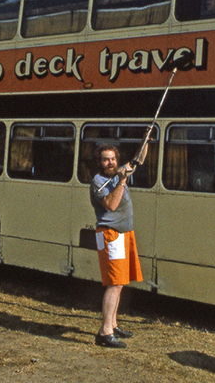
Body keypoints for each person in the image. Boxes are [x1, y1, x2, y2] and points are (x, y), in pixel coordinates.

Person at [90, 145, 143, 348]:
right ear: (99, 163)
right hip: (110, 234)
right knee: (114, 283)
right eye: (105, 159)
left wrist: (146, 142)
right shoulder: (98, 182)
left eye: (113, 159)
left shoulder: (118, 173)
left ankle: (112, 324)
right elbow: (111, 205)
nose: (110, 162)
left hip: (123, 233)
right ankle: (104, 332)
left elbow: (138, 160)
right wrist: (121, 180)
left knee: (120, 283)